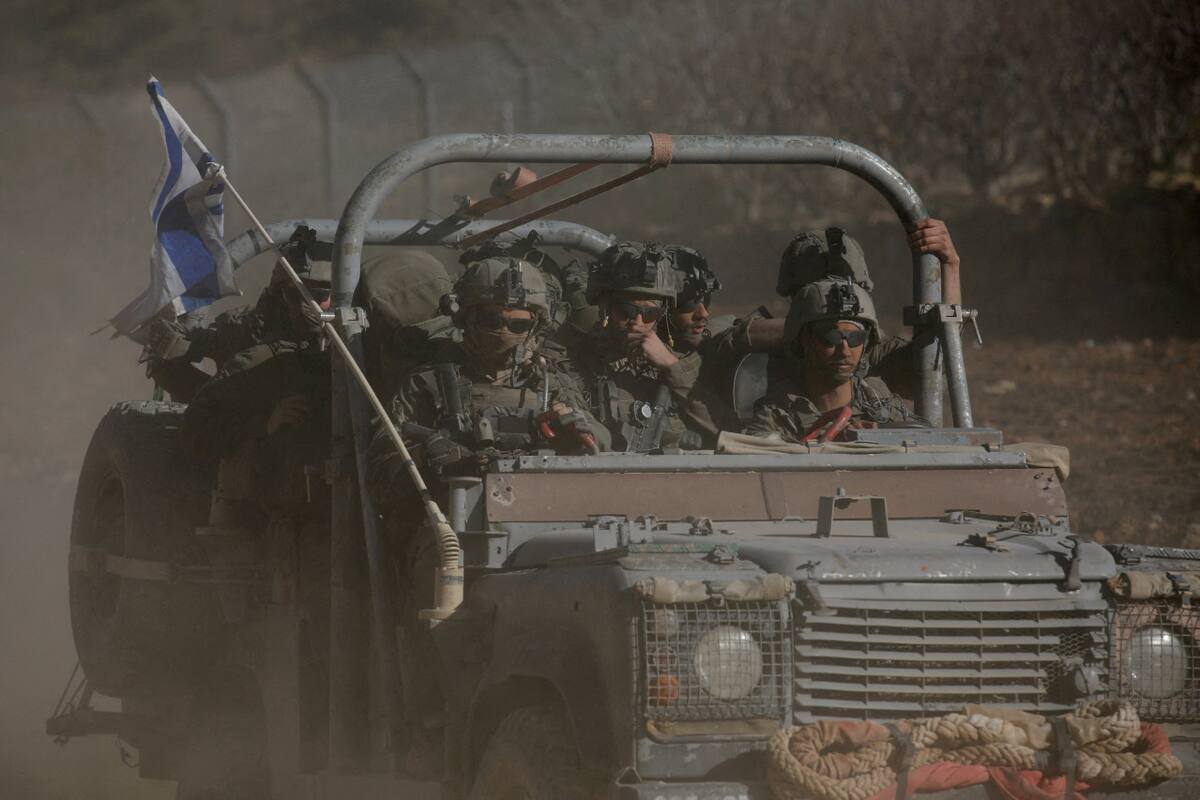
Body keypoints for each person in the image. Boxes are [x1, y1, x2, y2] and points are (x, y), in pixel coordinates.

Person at [770, 219, 962, 397]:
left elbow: (929, 372)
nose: (843, 349)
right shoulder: (762, 353)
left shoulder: (865, 351)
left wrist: (949, 266)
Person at [745, 277, 926, 442]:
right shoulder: (778, 413)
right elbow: (760, 457)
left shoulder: (879, 401)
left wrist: (882, 434)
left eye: (856, 338)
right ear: (805, 341)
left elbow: (926, 441)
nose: (845, 351)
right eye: (831, 338)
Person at [570, 241, 704, 451]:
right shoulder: (572, 360)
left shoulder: (683, 364)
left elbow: (723, 427)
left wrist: (672, 366)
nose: (638, 323)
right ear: (606, 308)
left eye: (650, 314)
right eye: (627, 312)